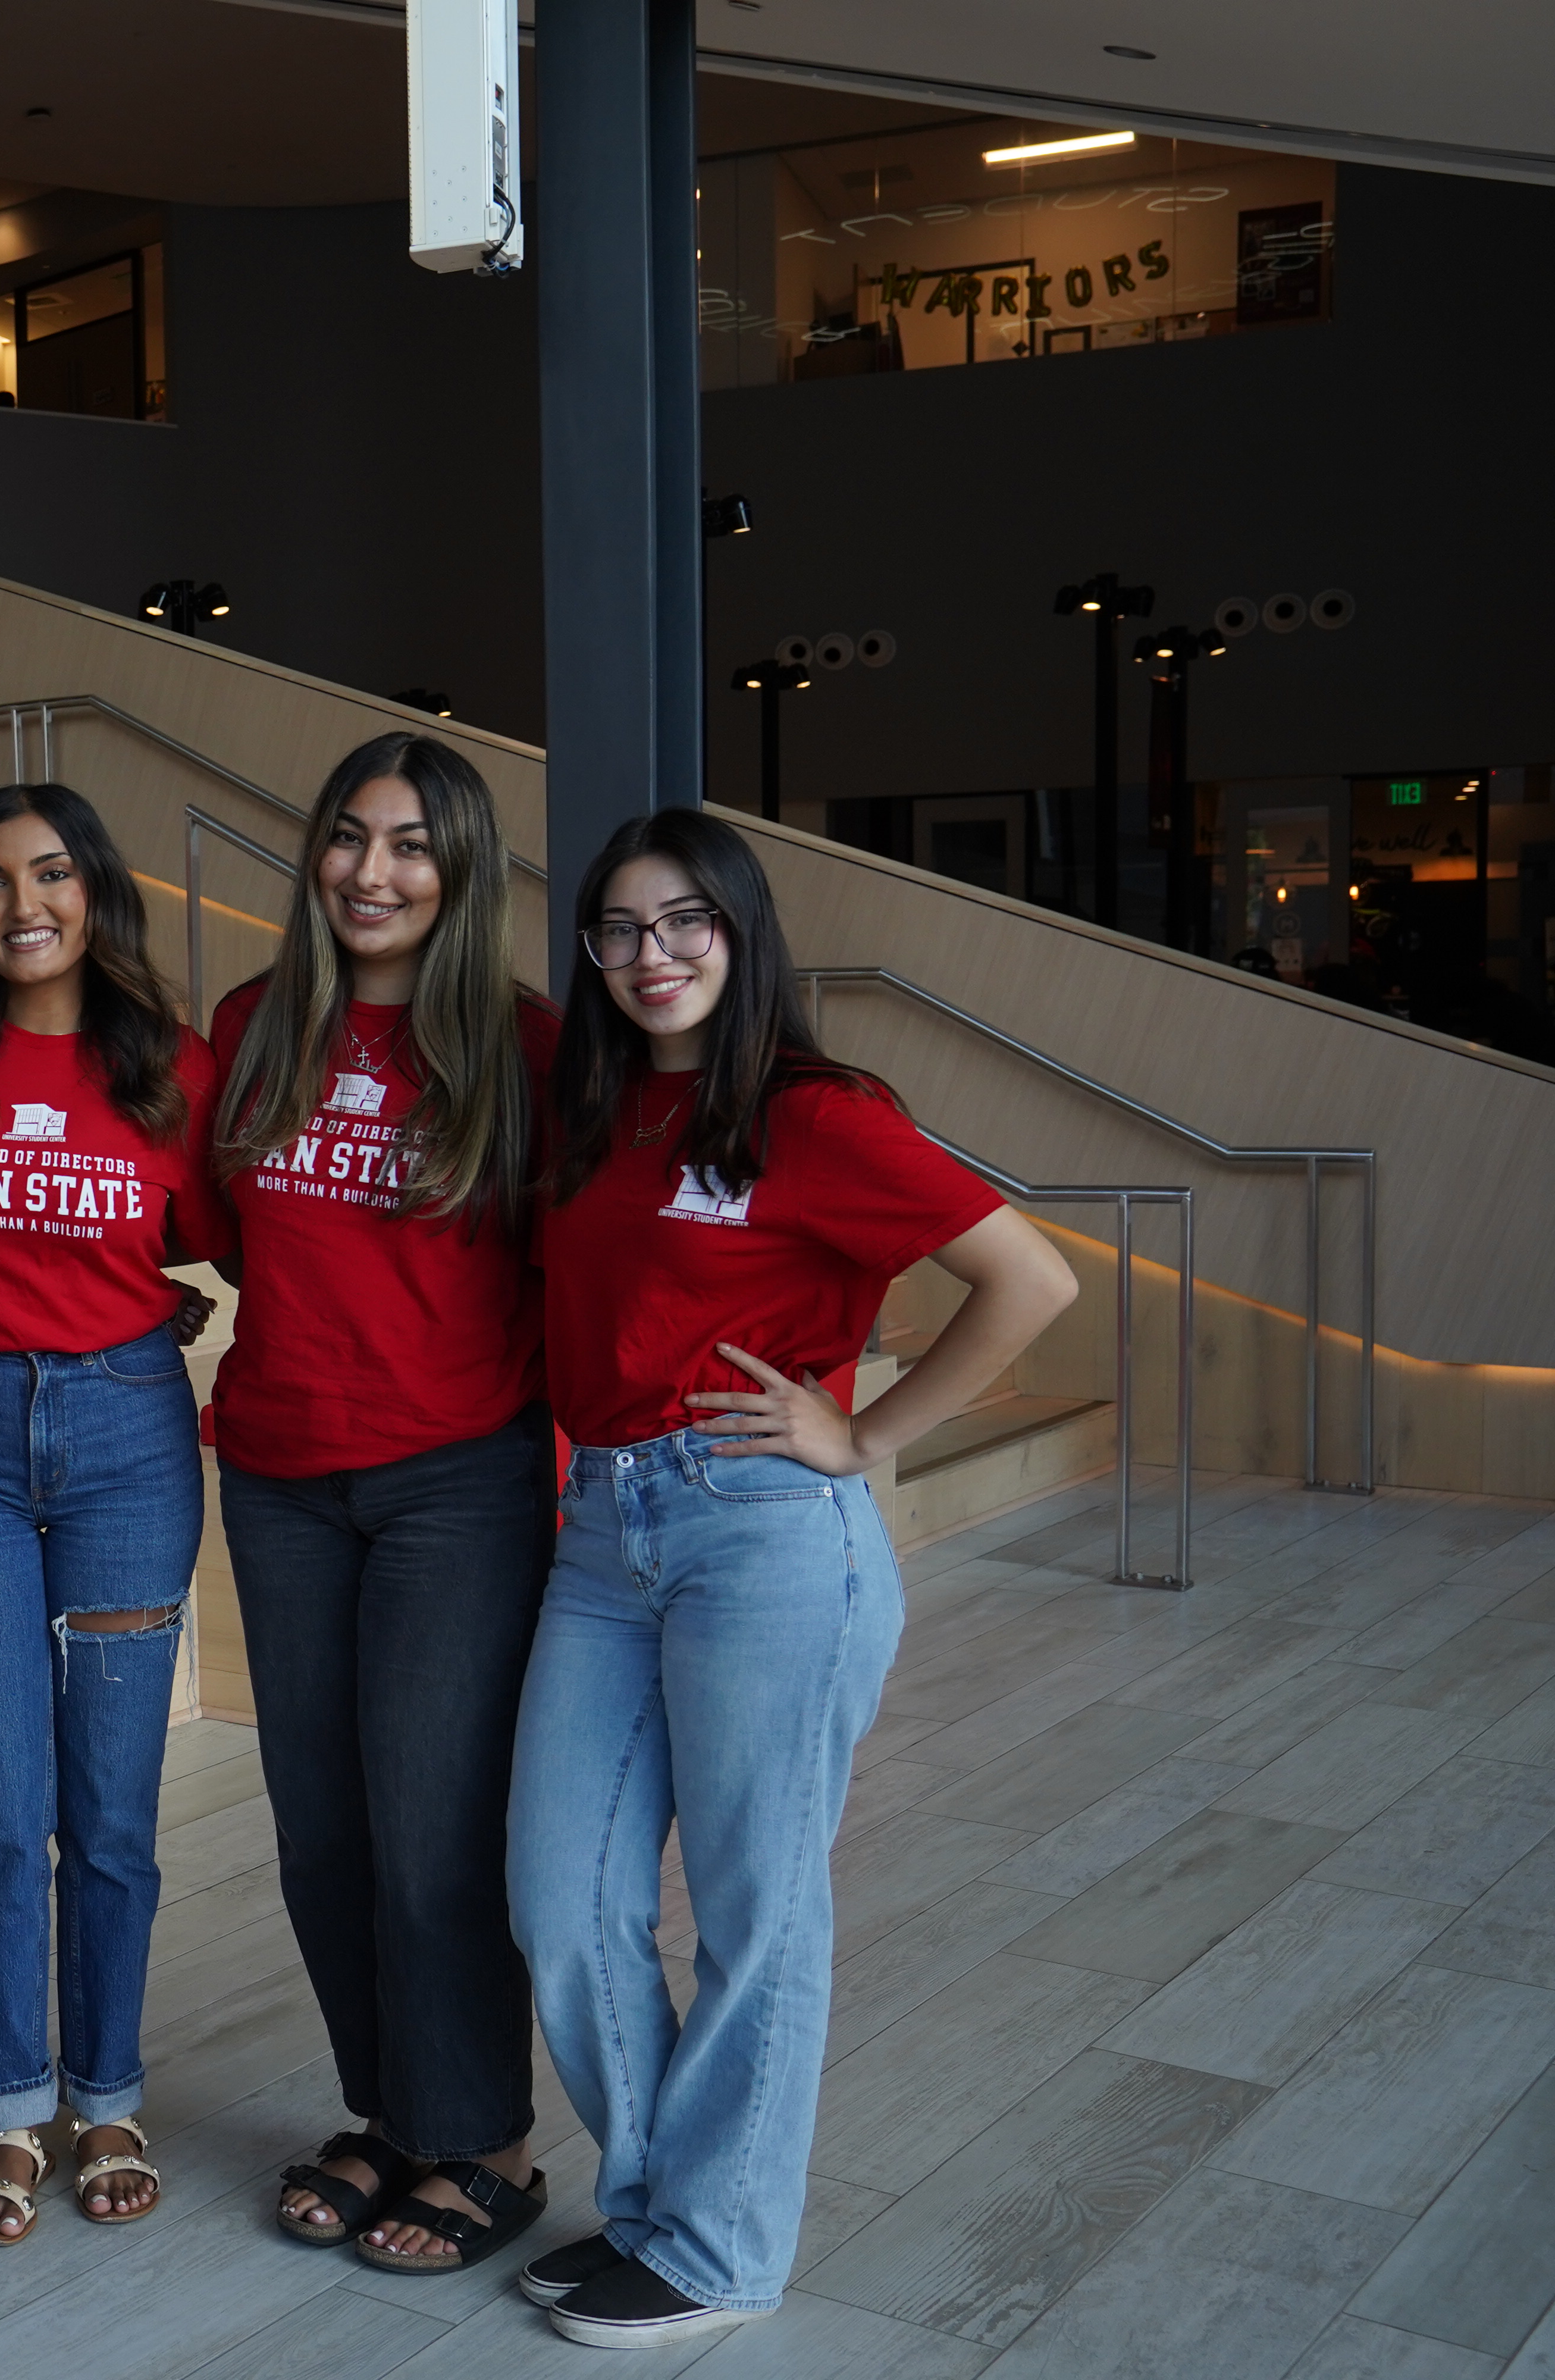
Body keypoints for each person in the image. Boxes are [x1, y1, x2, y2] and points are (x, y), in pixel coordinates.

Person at [507, 807, 1076, 2352]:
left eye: (685, 922)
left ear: (744, 935)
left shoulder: (816, 1115)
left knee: (757, 1912)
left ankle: (724, 2247)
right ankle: (650, 2213)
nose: (650, 957)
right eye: (617, 930)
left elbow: (1033, 1277)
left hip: (760, 1534)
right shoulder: (600, 1111)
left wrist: (866, 1432)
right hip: (602, 1536)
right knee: (563, 1894)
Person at [206, 734, 557, 2277]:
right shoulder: (252, 1026)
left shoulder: (529, 1048)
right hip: (280, 1472)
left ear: (461, 870)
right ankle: (389, 2115)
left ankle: (485, 2139)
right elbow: (224, 1235)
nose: (371, 871)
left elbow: (579, 1260)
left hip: (457, 1479)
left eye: (411, 845)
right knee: (323, 1836)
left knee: (433, 1834)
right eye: (348, 837)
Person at [0, 782, 232, 2247]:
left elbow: (223, 1240)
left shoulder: (174, 1067)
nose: (22, 903)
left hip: (125, 1435)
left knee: (111, 1807)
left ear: (96, 889)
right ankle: (15, 2108)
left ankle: (111, 2092)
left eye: (52, 872)